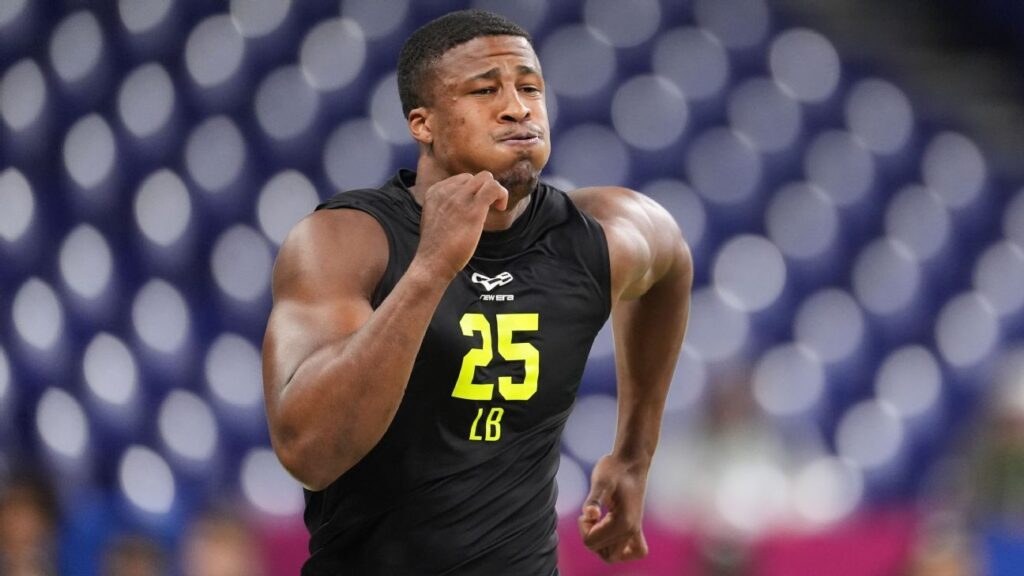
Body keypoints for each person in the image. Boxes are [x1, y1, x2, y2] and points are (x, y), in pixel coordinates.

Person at [262, 9, 692, 574]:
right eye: (485, 89)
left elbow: (670, 268)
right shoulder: (347, 241)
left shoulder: (600, 234)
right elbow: (309, 452)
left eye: (531, 87)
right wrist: (430, 270)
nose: (518, 107)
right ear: (424, 123)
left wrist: (634, 454)